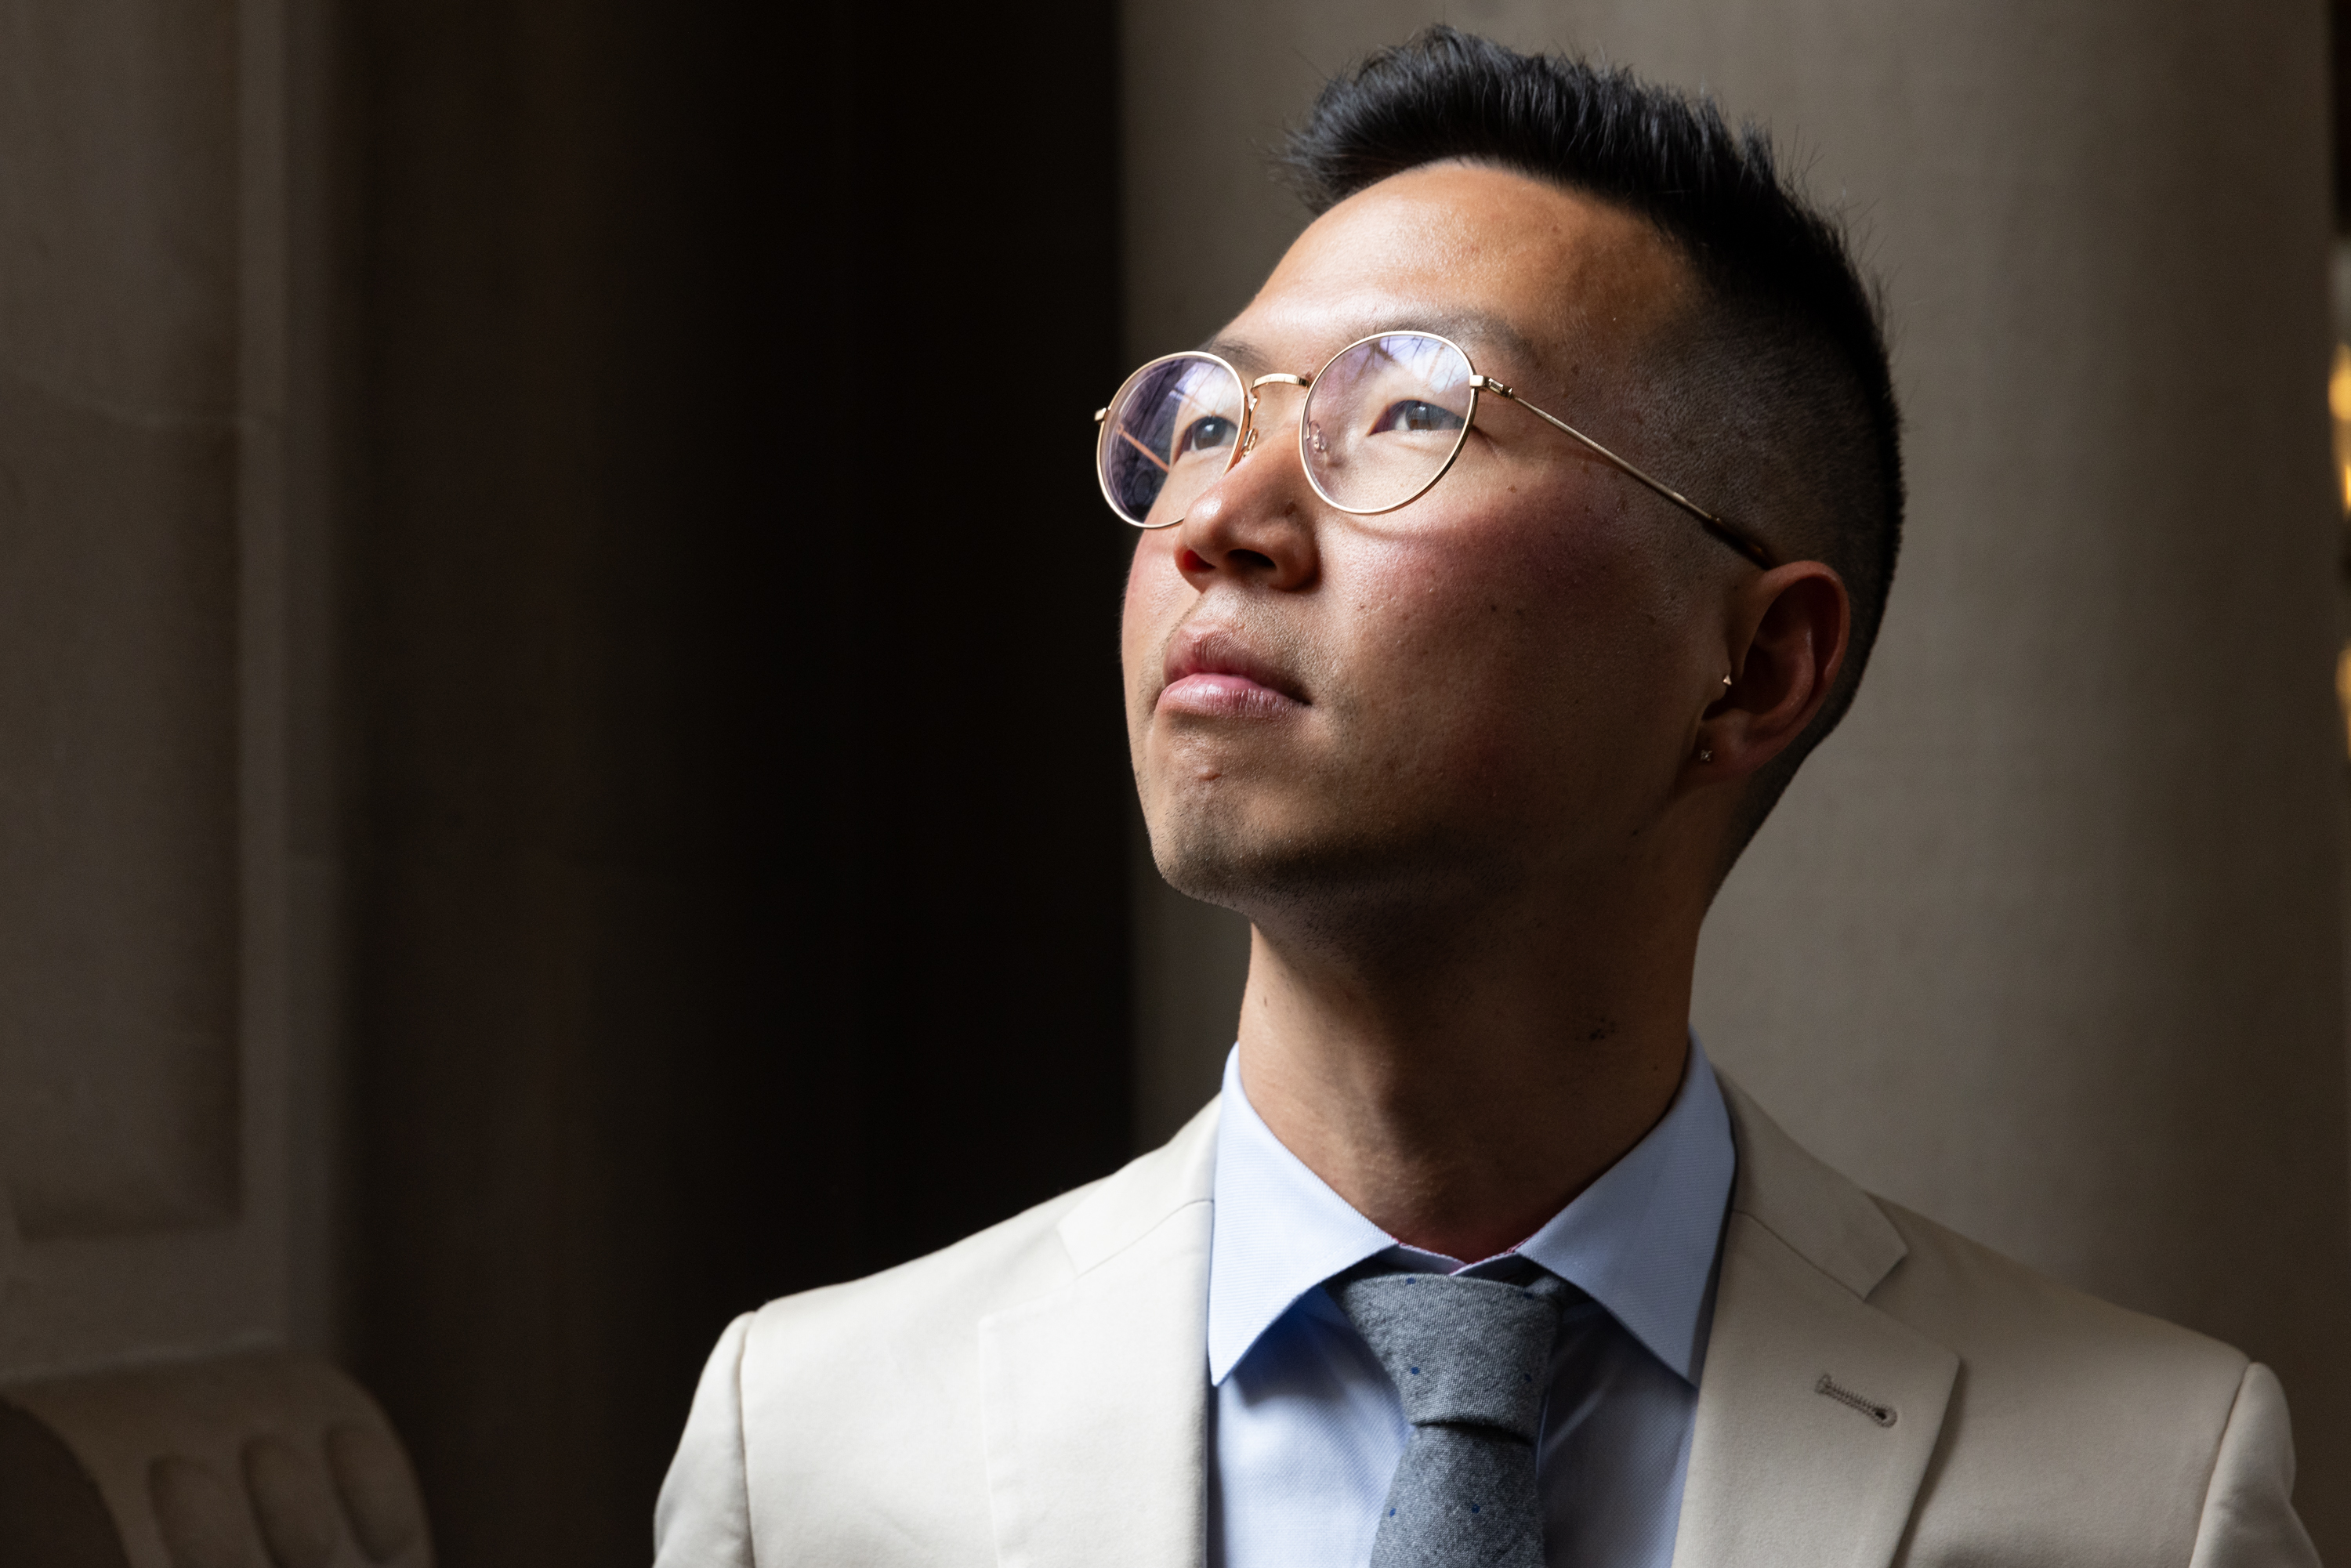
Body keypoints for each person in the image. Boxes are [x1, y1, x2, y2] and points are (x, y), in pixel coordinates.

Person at [652, 27, 2316, 1567]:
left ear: (1754, 666)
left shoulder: (2144, 1483)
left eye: (1412, 414)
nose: (1218, 514)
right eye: (1206, 414)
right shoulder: (812, 1442)